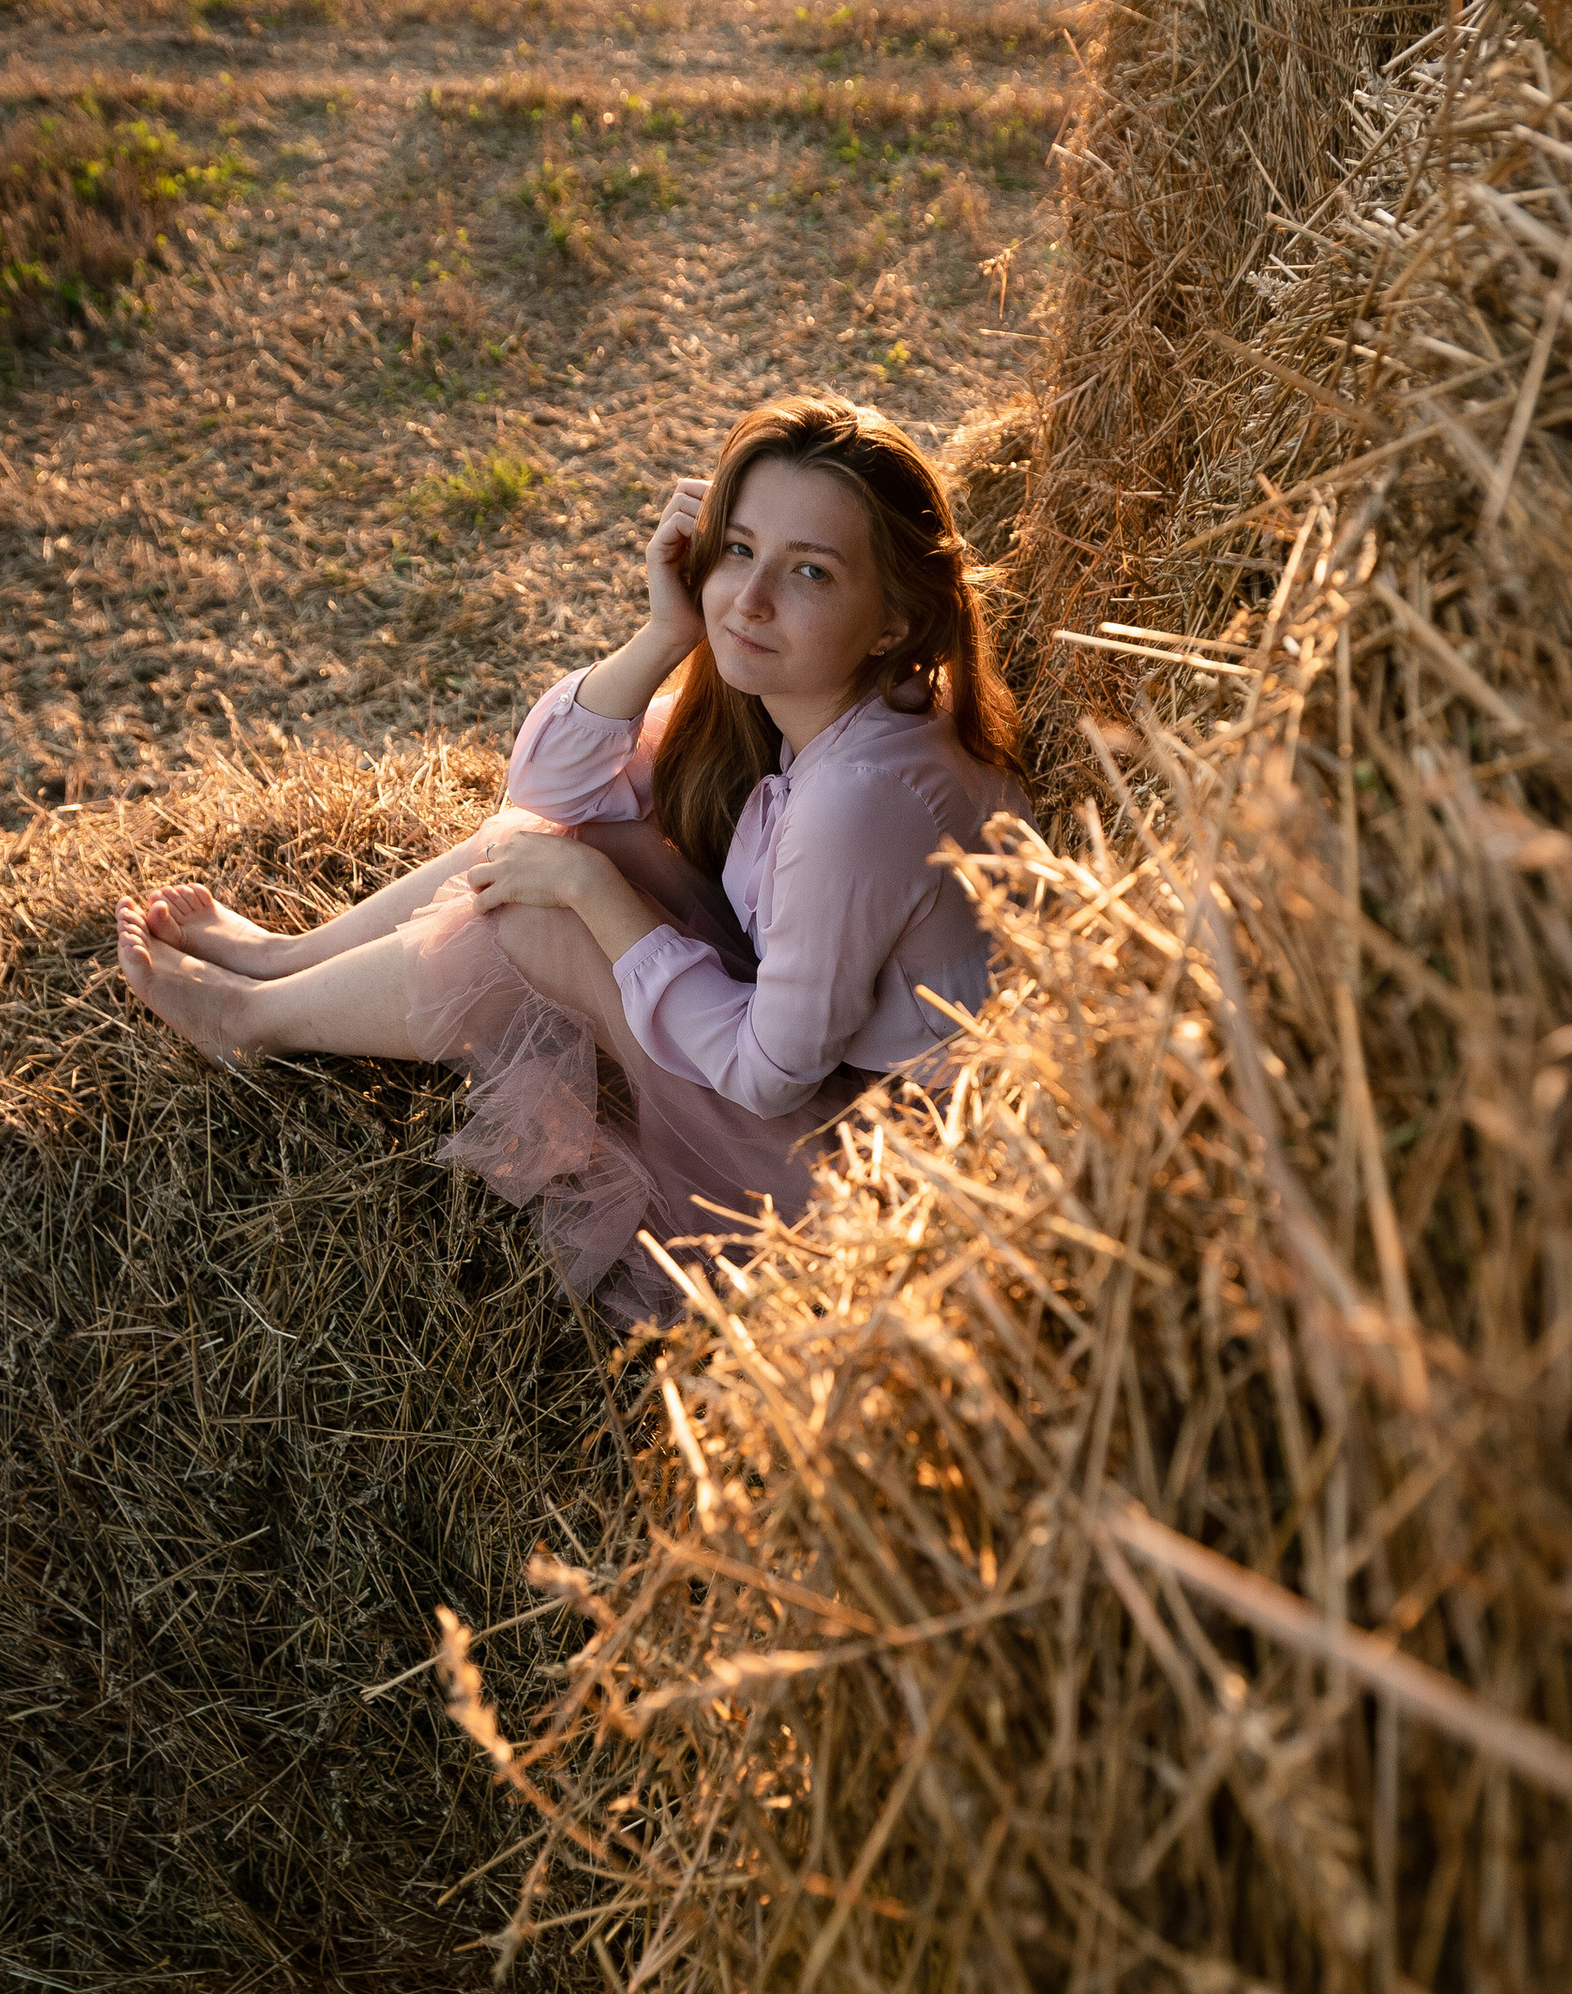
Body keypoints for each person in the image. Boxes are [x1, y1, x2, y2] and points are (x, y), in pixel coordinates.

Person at [113, 391, 1030, 1319]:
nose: (748, 602)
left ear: (894, 619)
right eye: (740, 550)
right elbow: (546, 789)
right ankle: (285, 956)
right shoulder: (830, 698)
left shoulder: (860, 798)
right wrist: (667, 633)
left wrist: (594, 893)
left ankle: (253, 1021)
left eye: (813, 574)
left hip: (864, 1183)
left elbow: (768, 1073)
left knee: (543, 903)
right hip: (833, 1073)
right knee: (555, 838)